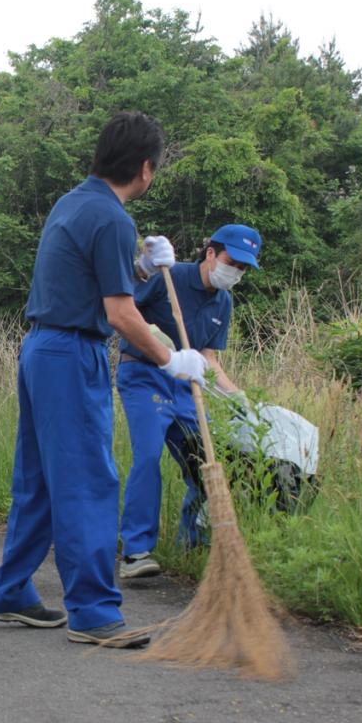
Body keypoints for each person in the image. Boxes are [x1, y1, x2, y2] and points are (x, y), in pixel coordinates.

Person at [0, 111, 208, 648]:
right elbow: (121, 314)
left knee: (38, 479)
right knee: (87, 479)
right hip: (71, 353)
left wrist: (146, 271)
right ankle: (94, 612)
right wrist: (170, 358)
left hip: (41, 347)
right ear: (146, 169)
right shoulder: (112, 218)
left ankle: (10, 591)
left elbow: (98, 282)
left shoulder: (75, 202)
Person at [116, 224, 261, 579]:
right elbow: (123, 308)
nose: (236, 272)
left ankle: (192, 545)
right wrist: (157, 339)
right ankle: (136, 551)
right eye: (232, 262)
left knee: (206, 460)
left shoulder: (223, 301)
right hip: (144, 375)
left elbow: (209, 357)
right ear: (211, 253)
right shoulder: (170, 276)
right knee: (148, 456)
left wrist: (237, 395)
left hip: (186, 387)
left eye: (243, 268)